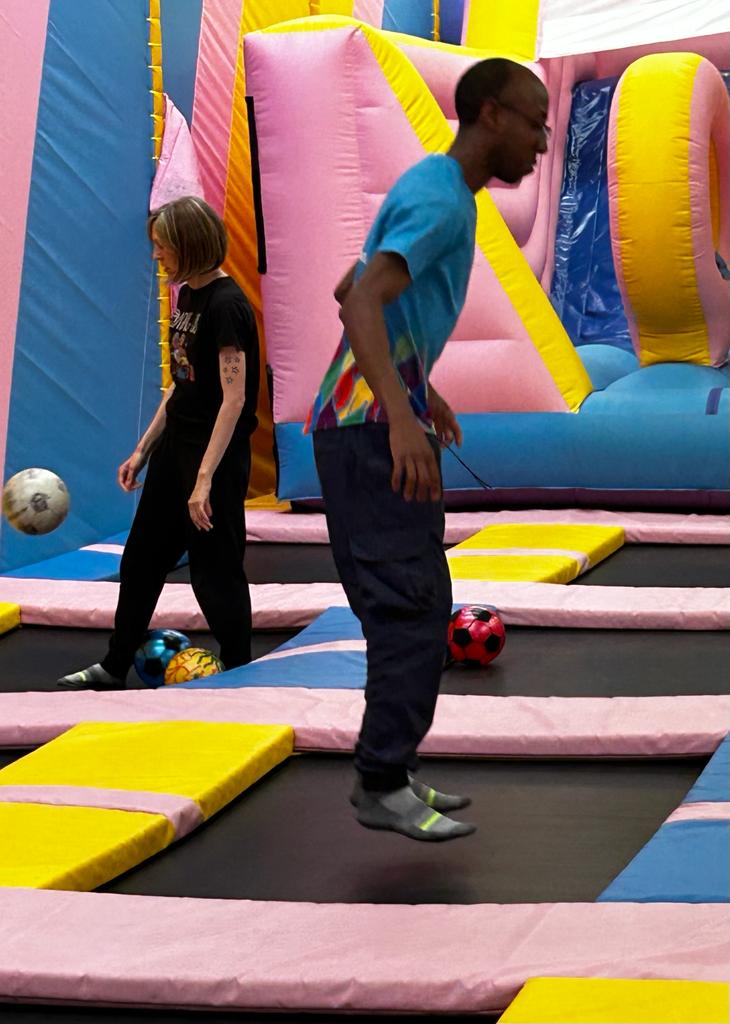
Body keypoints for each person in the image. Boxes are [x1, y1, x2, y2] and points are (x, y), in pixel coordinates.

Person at [307, 58, 550, 841]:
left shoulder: (438, 190)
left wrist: (421, 391)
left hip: (368, 420)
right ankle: (381, 782)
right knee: (410, 610)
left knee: (413, 603)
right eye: (535, 122)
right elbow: (362, 302)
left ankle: (393, 769)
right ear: (491, 114)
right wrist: (399, 415)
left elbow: (349, 291)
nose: (543, 142)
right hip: (368, 431)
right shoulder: (442, 200)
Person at [58, 196, 259, 690]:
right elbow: (182, 383)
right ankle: (114, 666)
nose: (156, 255)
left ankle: (241, 671)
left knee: (214, 573)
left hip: (213, 456)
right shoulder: (186, 296)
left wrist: (204, 480)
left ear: (188, 245)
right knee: (141, 560)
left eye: (162, 246)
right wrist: (143, 449)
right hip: (175, 452)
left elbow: (233, 399)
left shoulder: (227, 305)